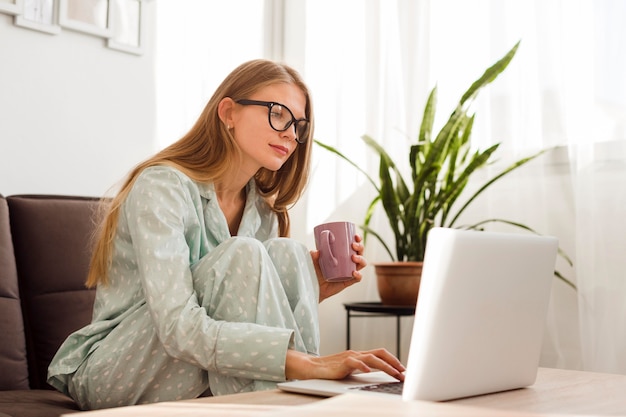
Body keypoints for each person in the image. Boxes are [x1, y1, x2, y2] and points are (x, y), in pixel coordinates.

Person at [47, 59, 405, 410]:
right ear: (228, 112)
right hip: (116, 369)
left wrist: (309, 289)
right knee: (245, 254)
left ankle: (300, 400)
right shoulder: (162, 186)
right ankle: (303, 393)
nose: (289, 134)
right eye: (277, 113)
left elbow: (244, 312)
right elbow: (178, 328)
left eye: (298, 125)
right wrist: (308, 363)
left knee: (289, 254)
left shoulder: (262, 211)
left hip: (195, 372)